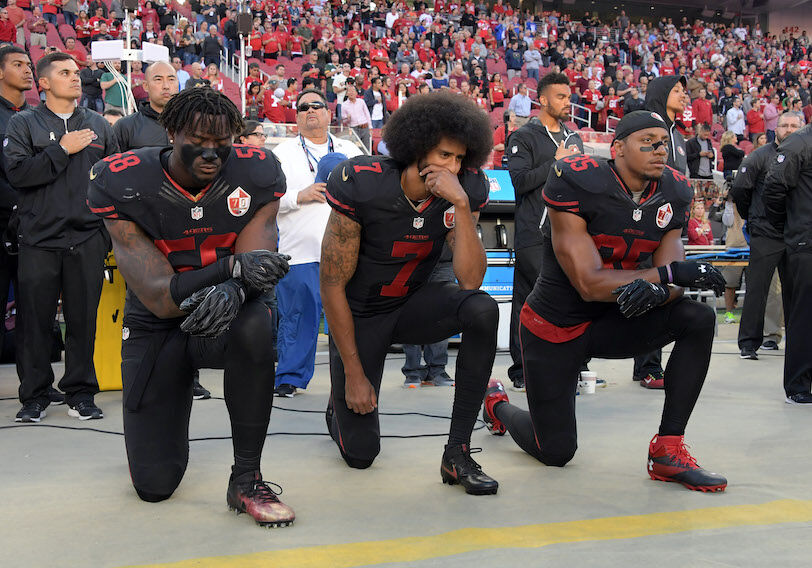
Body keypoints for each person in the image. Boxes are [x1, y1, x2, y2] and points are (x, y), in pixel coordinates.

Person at [483, 111, 728, 493]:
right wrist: (664, 278)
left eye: (662, 141)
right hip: (556, 326)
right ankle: (497, 405)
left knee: (697, 318)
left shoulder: (674, 190)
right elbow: (589, 283)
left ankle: (667, 450)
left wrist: (665, 285)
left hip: (615, 322)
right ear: (617, 148)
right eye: (646, 141)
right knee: (556, 451)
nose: (659, 149)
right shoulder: (577, 178)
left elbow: (673, 277)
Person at [86, 87, 295, 524]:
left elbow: (258, 266)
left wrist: (237, 286)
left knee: (257, 324)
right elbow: (162, 298)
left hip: (227, 313)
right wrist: (230, 271)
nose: (212, 152)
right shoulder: (122, 178)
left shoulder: (257, 171)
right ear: (171, 131)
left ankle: (246, 477)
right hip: (157, 325)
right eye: (199, 140)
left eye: (223, 141)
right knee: (154, 486)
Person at [321, 91, 500, 495]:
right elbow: (331, 284)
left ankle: (458, 451)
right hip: (362, 313)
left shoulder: (465, 188)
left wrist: (462, 204)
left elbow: (470, 281)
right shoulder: (363, 182)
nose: (452, 166)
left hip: (412, 304)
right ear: (416, 149)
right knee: (361, 455)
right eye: (443, 155)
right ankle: (337, 405)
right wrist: (353, 375)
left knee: (482, 309)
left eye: (459, 158)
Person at [5, 52, 119, 422]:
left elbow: (114, 180)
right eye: (64, 72)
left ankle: (81, 392)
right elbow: (19, 175)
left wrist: (105, 232)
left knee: (84, 321)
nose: (74, 78)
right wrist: (61, 150)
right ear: (44, 83)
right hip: (38, 238)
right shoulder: (24, 123)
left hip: (87, 238)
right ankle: (34, 395)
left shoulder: (100, 126)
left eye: (76, 72)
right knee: (35, 323)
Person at [271, 89, 362, 397]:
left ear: (328, 113)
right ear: (296, 117)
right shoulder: (282, 152)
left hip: (347, 250)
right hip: (299, 251)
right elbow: (267, 199)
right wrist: (299, 195)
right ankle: (290, 377)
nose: (310, 110)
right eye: (303, 107)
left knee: (351, 318)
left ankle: (355, 377)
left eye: (317, 105)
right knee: (298, 316)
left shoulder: (349, 148)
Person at [506, 72, 583, 391]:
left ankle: (570, 366)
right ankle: (523, 369)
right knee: (533, 301)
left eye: (569, 97)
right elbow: (520, 182)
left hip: (567, 234)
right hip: (533, 234)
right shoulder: (523, 137)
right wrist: (556, 161)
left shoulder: (573, 137)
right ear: (544, 99)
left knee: (571, 298)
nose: (568, 102)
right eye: (562, 97)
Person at [732, 111, 803, 360]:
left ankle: (798, 344)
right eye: (784, 125)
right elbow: (740, 189)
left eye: (795, 125)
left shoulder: (805, 156)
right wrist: (753, 217)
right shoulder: (759, 156)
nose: (789, 130)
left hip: (796, 233)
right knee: (757, 289)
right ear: (775, 128)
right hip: (766, 233)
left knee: (796, 292)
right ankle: (749, 343)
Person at [635, 75, 688, 389]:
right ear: (661, 93)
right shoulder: (647, 128)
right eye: (677, 90)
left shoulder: (678, 135)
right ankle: (648, 367)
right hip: (649, 223)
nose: (684, 96)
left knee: (664, 289)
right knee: (652, 289)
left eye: (684, 91)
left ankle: (647, 363)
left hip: (671, 225)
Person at [763, 120, 812, 404]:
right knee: (804, 316)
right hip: (805, 241)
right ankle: (797, 386)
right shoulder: (799, 142)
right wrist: (789, 225)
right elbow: (774, 187)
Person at [0, 46, 37, 389]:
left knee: (30, 311)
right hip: (2, 221)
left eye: (28, 64)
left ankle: (33, 386)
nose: (28, 70)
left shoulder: (40, 117)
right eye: (18, 64)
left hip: (32, 227)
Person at [113, 61, 177, 151]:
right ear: (145, 86)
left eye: (171, 80)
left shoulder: (190, 123)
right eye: (158, 80)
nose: (166, 86)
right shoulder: (126, 126)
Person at [341, 84, 371, 151]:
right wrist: (347, 118)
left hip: (364, 126)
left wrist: (370, 127)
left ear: (356, 93)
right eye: (349, 91)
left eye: (353, 91)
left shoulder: (361, 101)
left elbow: (367, 114)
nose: (351, 92)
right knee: (357, 148)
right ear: (346, 94)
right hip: (354, 129)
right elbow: (343, 120)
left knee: (366, 148)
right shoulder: (344, 105)